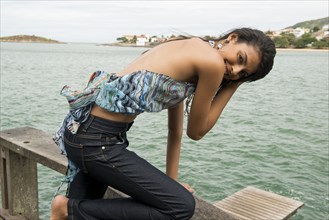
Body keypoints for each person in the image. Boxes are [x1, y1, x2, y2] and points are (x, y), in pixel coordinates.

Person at [50, 27, 276, 220]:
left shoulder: (187, 46)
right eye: (240, 59)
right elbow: (196, 132)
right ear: (232, 38)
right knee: (180, 207)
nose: (234, 70)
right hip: (97, 142)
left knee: (82, 213)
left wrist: (171, 181)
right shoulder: (212, 62)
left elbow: (175, 130)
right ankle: (65, 208)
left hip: (83, 131)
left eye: (243, 73)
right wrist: (232, 87)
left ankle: (68, 209)